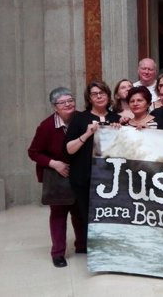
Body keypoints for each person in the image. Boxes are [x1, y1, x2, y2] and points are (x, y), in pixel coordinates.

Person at [27, 87, 86, 268]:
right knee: (59, 215)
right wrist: (54, 163)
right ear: (55, 107)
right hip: (57, 177)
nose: (68, 104)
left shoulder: (81, 119)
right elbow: (34, 152)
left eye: (70, 100)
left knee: (80, 212)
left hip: (79, 174)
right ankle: (58, 253)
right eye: (63, 102)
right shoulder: (46, 127)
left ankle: (82, 246)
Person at [65, 81, 121, 252]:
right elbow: (69, 149)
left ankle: (110, 249)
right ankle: (95, 252)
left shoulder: (116, 119)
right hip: (84, 178)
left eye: (102, 93)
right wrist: (87, 133)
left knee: (110, 215)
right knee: (87, 216)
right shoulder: (79, 119)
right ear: (89, 98)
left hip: (111, 180)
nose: (99, 96)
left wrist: (120, 132)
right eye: (94, 94)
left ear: (108, 95)